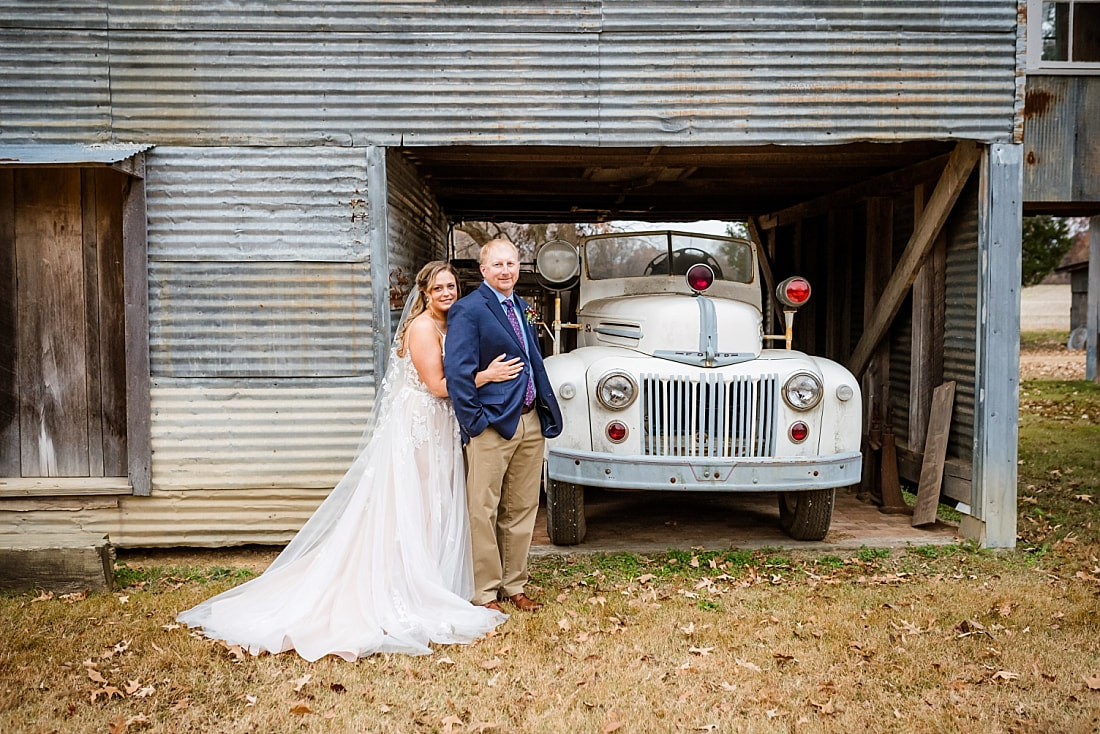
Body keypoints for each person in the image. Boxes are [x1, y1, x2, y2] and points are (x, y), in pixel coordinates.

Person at [177, 261, 523, 661]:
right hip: (420, 423)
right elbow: (438, 385)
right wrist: (487, 375)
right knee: (418, 501)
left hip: (442, 423)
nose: (447, 293)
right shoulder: (424, 329)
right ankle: (407, 583)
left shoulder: (451, 325)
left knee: (436, 500)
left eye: (451, 286)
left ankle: (437, 577)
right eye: (439, 287)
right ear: (425, 293)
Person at [443, 239, 563, 613]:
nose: (506, 270)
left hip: (529, 419)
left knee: (523, 508)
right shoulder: (468, 310)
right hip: (491, 425)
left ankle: (515, 585)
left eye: (511, 263)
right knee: (484, 509)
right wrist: (475, 423)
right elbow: (458, 375)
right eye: (497, 265)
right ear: (483, 270)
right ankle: (485, 593)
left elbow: (532, 359)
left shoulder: (524, 306)